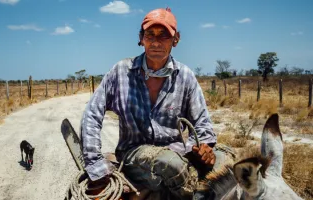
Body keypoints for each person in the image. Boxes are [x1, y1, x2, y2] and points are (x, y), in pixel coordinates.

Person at [80, 7, 230, 200]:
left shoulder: (185, 76)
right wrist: (95, 165)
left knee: (227, 163)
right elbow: (92, 115)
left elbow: (202, 124)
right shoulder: (121, 72)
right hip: (134, 154)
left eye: (164, 35)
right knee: (169, 164)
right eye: (150, 34)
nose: (156, 42)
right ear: (141, 38)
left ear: (175, 40)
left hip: (177, 153)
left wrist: (202, 147)